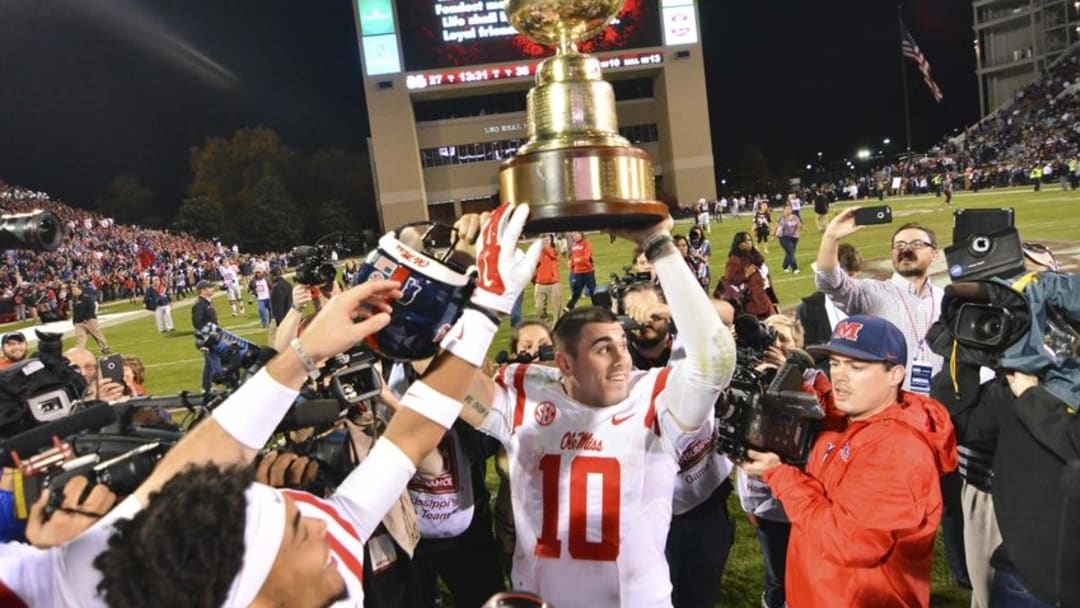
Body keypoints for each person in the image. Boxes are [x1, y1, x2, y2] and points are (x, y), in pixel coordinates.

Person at [88, 204, 544, 608]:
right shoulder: (324, 547)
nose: (314, 516)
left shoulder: (333, 536)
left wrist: (302, 358)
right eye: (291, 523)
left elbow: (412, 434)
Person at [454, 214, 737, 607]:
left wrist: (658, 244)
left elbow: (716, 360)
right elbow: (444, 378)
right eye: (604, 349)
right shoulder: (529, 396)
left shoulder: (653, 398)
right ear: (565, 364)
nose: (623, 359)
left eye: (622, 345)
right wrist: (478, 293)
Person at [740, 315, 958, 608]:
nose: (840, 376)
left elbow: (847, 542)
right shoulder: (854, 415)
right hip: (820, 591)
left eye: (856, 367)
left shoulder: (899, 451)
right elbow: (830, 409)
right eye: (835, 363)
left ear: (895, 374)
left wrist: (779, 475)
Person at [798, 242, 862, 354]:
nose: (844, 282)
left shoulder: (868, 300)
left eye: (850, 275)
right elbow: (808, 348)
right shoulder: (809, 308)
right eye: (841, 275)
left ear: (858, 273)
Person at [716, 232, 776, 319]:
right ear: (738, 244)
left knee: (772, 320)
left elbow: (761, 269)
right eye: (745, 241)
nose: (748, 243)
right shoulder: (734, 259)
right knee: (758, 322)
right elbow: (729, 279)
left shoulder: (752, 255)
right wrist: (746, 275)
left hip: (761, 294)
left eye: (749, 240)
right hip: (750, 299)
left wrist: (764, 279)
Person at [191, 280, 222, 395]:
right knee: (212, 362)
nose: (212, 289)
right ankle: (208, 387)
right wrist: (208, 332)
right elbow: (197, 322)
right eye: (209, 287)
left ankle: (207, 387)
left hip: (212, 336)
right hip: (207, 338)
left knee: (210, 363)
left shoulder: (207, 302)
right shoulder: (199, 304)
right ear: (203, 290)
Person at [70, 283, 109, 354]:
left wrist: (86, 318)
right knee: (80, 338)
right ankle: (80, 351)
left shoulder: (87, 298)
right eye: (72, 290)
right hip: (78, 322)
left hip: (89, 320)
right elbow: (75, 311)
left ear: (80, 289)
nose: (73, 291)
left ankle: (105, 347)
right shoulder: (74, 300)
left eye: (75, 289)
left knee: (96, 334)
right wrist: (74, 321)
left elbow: (91, 308)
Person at [533, 234, 562, 327]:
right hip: (540, 284)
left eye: (548, 239)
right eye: (544, 239)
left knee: (557, 308)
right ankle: (546, 324)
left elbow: (554, 255)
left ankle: (557, 327)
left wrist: (545, 247)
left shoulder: (555, 249)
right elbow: (533, 266)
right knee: (539, 307)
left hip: (554, 283)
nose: (546, 241)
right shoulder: (537, 252)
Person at [565, 231, 596, 310]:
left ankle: (596, 306)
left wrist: (577, 260)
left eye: (575, 235)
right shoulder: (573, 245)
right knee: (576, 292)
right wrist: (572, 264)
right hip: (577, 272)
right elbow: (573, 257)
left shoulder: (586, 243)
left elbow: (586, 257)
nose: (574, 237)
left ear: (580, 234)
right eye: (572, 235)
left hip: (588, 271)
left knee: (593, 291)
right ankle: (569, 307)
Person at [268, 267, 293, 348]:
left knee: (274, 342)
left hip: (281, 318)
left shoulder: (277, 287)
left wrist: (279, 321)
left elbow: (278, 305)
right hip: (290, 315)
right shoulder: (288, 284)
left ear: (273, 276)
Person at [775, 203, 802, 274]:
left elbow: (799, 225)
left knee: (789, 253)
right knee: (791, 253)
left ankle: (785, 266)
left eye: (789, 209)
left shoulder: (795, 217)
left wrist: (797, 232)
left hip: (794, 238)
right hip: (784, 238)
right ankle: (795, 268)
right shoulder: (781, 218)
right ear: (783, 210)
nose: (788, 210)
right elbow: (776, 227)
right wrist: (773, 235)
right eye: (786, 209)